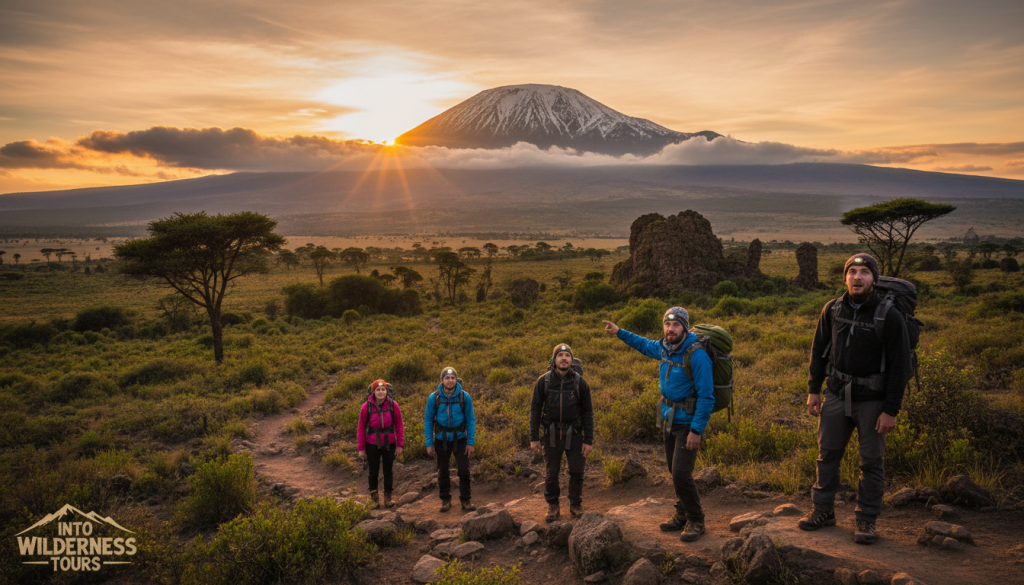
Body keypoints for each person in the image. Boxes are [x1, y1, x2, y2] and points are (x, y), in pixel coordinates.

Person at [801, 253, 911, 544]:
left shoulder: (889, 315)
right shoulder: (833, 308)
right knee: (827, 456)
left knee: (871, 462)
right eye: (852, 272)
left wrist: (891, 410)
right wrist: (814, 390)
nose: (857, 277)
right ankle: (823, 510)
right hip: (836, 395)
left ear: (874, 278)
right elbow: (818, 350)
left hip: (873, 400)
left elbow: (901, 367)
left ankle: (866, 519)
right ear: (845, 277)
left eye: (864, 272)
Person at [603, 307, 712, 542]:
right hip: (669, 420)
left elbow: (707, 396)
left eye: (675, 325)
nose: (670, 329)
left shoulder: (696, 355)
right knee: (675, 471)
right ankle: (682, 514)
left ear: (684, 327)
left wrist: (696, 430)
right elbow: (642, 344)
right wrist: (619, 332)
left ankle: (696, 520)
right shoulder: (664, 347)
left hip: (688, 424)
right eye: (667, 324)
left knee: (681, 474)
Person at [530, 344, 595, 522]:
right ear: (554, 360)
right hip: (551, 434)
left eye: (567, 355)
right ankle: (553, 505)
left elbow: (588, 413)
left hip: (574, 434)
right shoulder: (543, 381)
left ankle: (575, 504)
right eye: (560, 355)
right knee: (551, 472)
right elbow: (535, 410)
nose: (564, 358)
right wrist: (534, 438)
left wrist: (588, 440)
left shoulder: (580, 382)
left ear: (572, 360)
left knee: (577, 471)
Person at [425, 367, 476, 512]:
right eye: (447, 378)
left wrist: (470, 442)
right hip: (441, 439)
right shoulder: (433, 398)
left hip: (460, 439)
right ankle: (445, 500)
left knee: (464, 471)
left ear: (456, 379)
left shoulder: (464, 396)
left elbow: (470, 420)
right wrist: (429, 443)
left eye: (453, 377)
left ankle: (466, 500)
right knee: (442, 471)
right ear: (442, 380)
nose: (450, 380)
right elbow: (428, 421)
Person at [357, 379, 404, 508]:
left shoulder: (393, 405)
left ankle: (388, 498)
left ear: (386, 391)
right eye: (378, 390)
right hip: (371, 444)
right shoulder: (366, 407)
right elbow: (361, 428)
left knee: (388, 471)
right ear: (373, 392)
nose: (381, 392)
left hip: (390, 443)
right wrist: (361, 448)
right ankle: (374, 499)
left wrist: (400, 444)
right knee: (373, 471)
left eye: (383, 390)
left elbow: (399, 425)